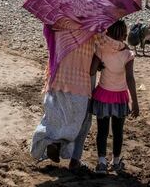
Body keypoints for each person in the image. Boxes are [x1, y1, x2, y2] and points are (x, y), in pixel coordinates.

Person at [30, 21, 125, 172]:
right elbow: (106, 43)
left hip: (58, 77)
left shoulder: (59, 21)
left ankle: (52, 141)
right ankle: (74, 159)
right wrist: (123, 47)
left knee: (56, 114)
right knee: (82, 121)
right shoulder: (93, 24)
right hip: (81, 81)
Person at [90, 20, 139, 174]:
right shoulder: (128, 54)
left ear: (108, 33)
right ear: (124, 35)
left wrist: (98, 65)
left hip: (103, 95)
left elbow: (92, 71)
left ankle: (102, 163)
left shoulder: (101, 49)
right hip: (120, 97)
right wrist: (135, 103)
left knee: (102, 131)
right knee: (118, 131)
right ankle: (116, 162)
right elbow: (130, 78)